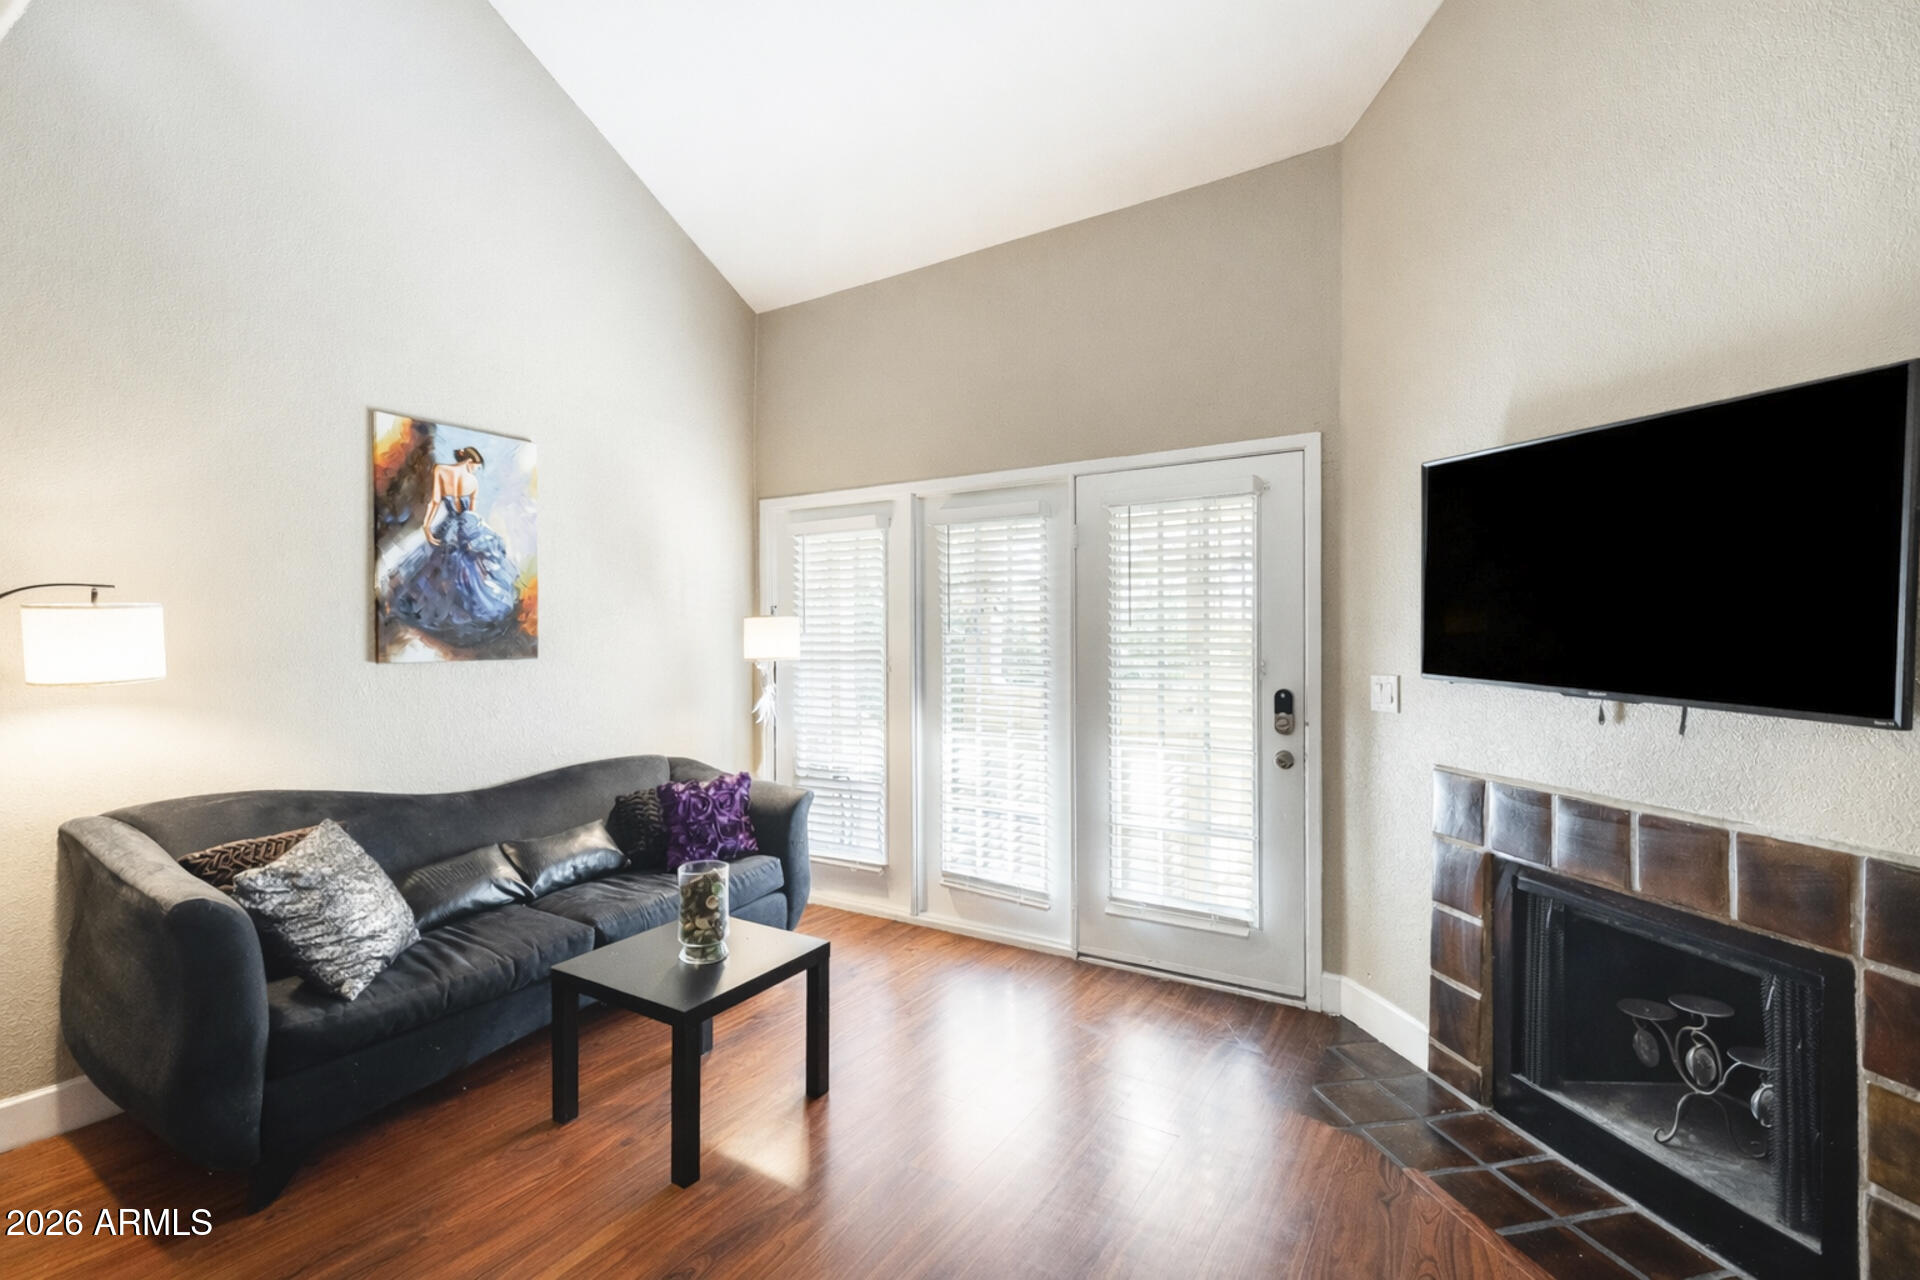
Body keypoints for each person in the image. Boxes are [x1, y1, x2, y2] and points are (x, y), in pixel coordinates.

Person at [385, 446, 522, 645]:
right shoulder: (472, 482)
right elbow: (470, 515)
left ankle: (455, 608)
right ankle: (468, 608)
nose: (475, 470)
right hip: (465, 527)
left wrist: (427, 526)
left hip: (449, 525)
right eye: (475, 466)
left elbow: (435, 501)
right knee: (467, 568)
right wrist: (475, 534)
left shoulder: (441, 470)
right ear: (469, 462)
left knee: (440, 566)